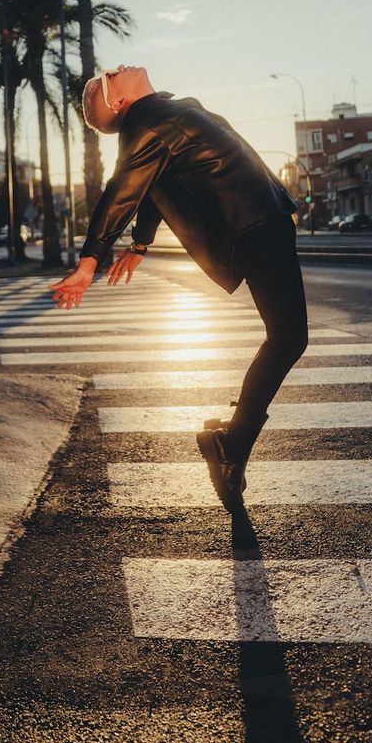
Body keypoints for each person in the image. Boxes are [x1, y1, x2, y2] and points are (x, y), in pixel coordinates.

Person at [50, 65, 308, 511]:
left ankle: (233, 441)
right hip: (253, 227)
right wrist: (89, 260)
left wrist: (142, 242)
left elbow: (155, 186)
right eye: (107, 78)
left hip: (265, 222)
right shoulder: (144, 124)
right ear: (118, 103)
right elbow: (125, 189)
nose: (116, 69)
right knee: (288, 339)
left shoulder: (171, 109)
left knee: (287, 338)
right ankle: (232, 443)